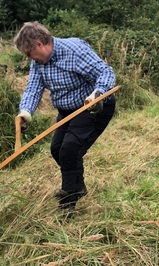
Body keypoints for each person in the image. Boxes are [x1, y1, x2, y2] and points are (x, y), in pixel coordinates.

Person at [14, 21, 116, 213]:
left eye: (28, 53)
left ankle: (68, 202)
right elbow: (33, 88)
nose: (29, 58)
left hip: (93, 107)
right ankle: (78, 186)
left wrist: (98, 93)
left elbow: (105, 71)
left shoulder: (74, 50)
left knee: (70, 149)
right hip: (67, 112)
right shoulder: (38, 63)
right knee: (57, 149)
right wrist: (25, 112)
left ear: (39, 43)